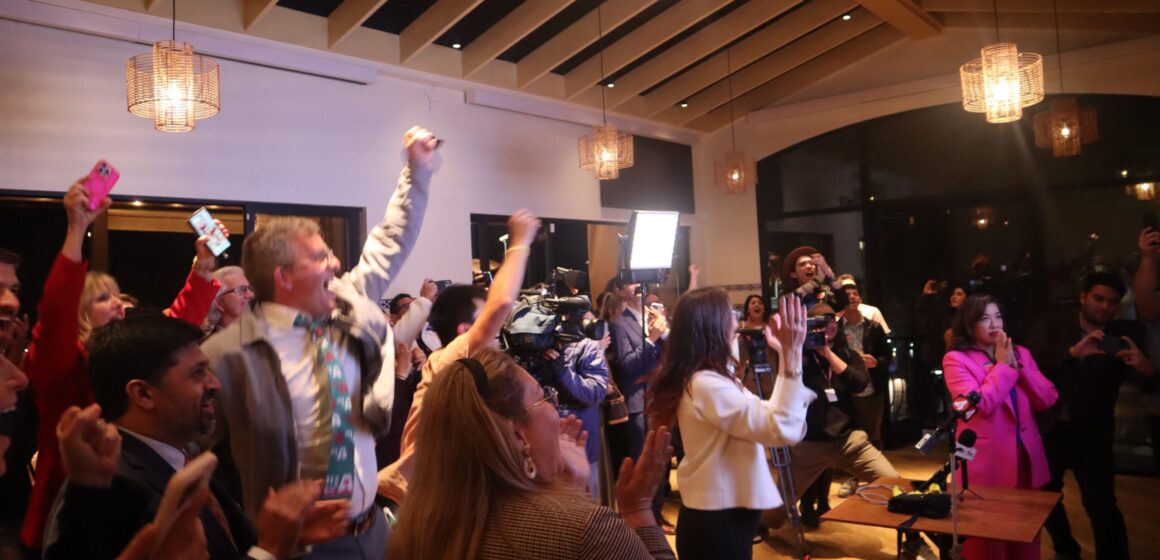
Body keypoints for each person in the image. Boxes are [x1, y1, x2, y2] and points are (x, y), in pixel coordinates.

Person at [202, 127, 439, 558]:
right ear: (283, 276)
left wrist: (417, 172)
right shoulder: (226, 354)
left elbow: (389, 241)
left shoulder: (349, 305)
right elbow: (186, 448)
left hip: (374, 530)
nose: (336, 262)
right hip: (299, 548)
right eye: (319, 256)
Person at [22, 178, 225, 551]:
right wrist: (77, 229)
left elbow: (174, 331)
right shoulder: (63, 365)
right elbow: (55, 314)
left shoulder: (128, 353)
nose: (117, 303)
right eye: (102, 298)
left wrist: (205, 265)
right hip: (79, 512)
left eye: (117, 295)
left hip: (140, 497)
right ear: (79, 311)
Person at [45, 314, 341, 560]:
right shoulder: (110, 487)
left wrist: (288, 536)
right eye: (197, 373)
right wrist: (270, 549)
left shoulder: (183, 458)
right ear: (143, 394)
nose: (215, 383)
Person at [386, 348, 675, 559]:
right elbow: (570, 535)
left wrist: (571, 493)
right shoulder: (588, 531)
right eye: (543, 397)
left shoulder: (412, 530)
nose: (555, 408)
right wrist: (638, 511)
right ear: (518, 433)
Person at [377, 210, 540, 512]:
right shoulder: (448, 361)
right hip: (418, 503)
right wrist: (521, 240)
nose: (497, 335)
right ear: (466, 330)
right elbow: (501, 302)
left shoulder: (471, 371)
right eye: (490, 326)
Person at [647, 290, 812, 560]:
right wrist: (792, 356)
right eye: (731, 314)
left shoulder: (709, 378)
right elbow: (781, 428)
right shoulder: (706, 384)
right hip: (717, 523)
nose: (736, 322)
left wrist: (784, 354)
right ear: (713, 325)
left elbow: (769, 415)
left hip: (720, 517)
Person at [1029, 272, 1154, 560]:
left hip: (1093, 431)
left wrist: (1145, 367)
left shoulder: (1123, 336)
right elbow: (1034, 364)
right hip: (1050, 425)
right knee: (1044, 495)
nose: (1105, 307)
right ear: (1083, 297)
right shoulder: (1055, 323)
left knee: (1101, 504)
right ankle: (1066, 549)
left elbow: (1145, 383)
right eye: (1098, 298)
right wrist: (1072, 353)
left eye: (1113, 302)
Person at [944, 295, 1058, 560]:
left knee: (1026, 540)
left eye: (998, 316)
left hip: (1026, 460)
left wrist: (1020, 368)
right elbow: (979, 406)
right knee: (985, 544)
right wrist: (1003, 367)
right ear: (969, 324)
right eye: (984, 318)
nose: (994, 324)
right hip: (986, 465)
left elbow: (1048, 398)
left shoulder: (1021, 353)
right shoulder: (956, 359)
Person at [604, 276, 668, 483]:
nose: (639, 285)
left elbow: (672, 357)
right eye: (632, 282)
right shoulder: (619, 324)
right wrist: (652, 339)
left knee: (661, 460)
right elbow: (627, 366)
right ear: (622, 291)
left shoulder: (656, 317)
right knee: (643, 462)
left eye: (642, 280)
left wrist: (664, 333)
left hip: (660, 398)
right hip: (638, 402)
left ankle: (659, 502)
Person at [542, 318, 611, 499]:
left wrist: (563, 372)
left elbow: (596, 391)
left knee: (586, 505)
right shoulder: (532, 349)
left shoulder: (587, 346)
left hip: (580, 444)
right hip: (542, 448)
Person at [835, 281, 892, 498]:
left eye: (855, 293)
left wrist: (877, 362)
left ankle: (876, 481)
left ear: (860, 298)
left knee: (872, 435)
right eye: (847, 294)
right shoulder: (836, 328)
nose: (852, 296)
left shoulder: (874, 327)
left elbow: (888, 357)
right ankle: (852, 478)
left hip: (870, 389)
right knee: (850, 437)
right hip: (845, 390)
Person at [780, 246, 848, 311]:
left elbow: (843, 304)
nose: (809, 266)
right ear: (794, 274)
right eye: (802, 264)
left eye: (812, 263)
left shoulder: (824, 291)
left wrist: (830, 275)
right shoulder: (788, 292)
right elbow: (786, 303)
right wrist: (816, 282)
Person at [202, 266, 253, 335]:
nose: (251, 295)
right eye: (241, 290)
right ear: (218, 303)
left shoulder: (261, 334)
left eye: (249, 288)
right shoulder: (212, 341)